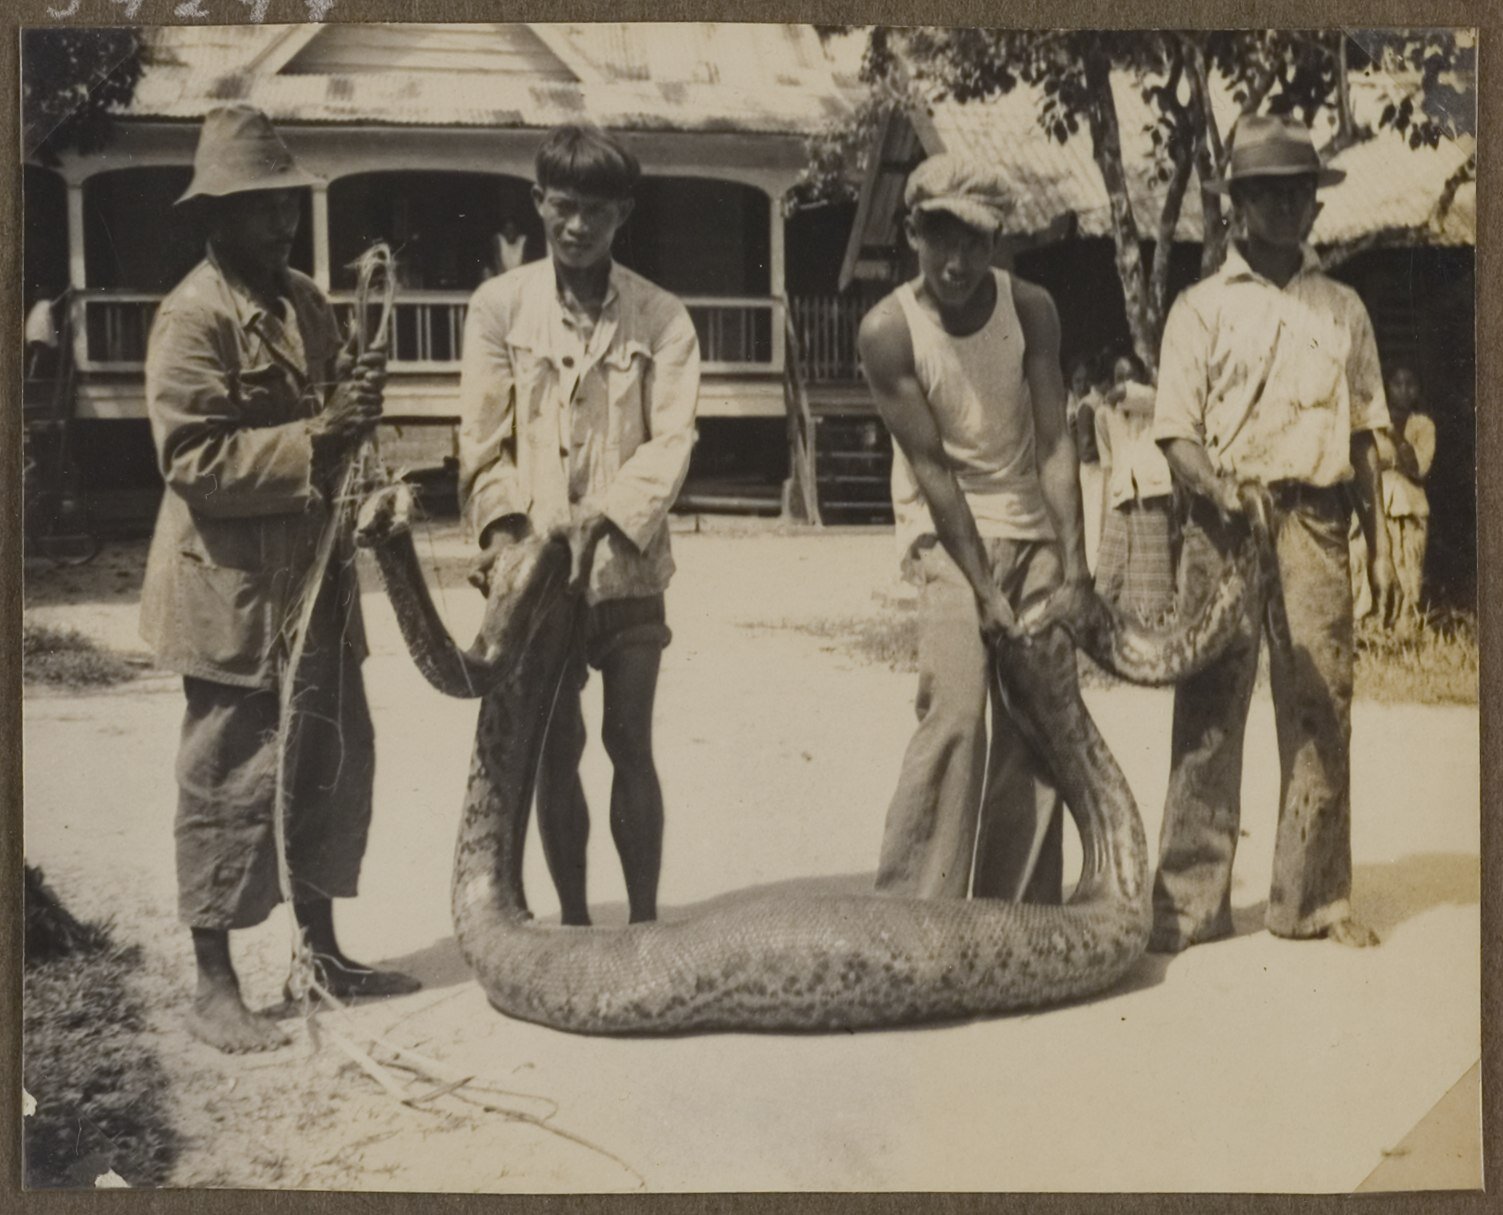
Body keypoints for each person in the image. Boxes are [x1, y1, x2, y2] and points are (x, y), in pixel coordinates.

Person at [140, 105, 418, 1054]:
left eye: (286, 203)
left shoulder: (303, 300)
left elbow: (338, 418)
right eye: (260, 207)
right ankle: (215, 986)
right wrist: (322, 432)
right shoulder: (192, 316)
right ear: (213, 214)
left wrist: (358, 442)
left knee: (327, 763)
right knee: (228, 776)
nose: (280, 222)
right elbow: (195, 464)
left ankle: (323, 951)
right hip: (233, 594)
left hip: (317, 583)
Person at [1149, 114, 1395, 953]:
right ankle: (1187, 901)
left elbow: (1366, 428)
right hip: (1226, 525)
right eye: (1266, 194)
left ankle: (1313, 898)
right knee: (1210, 711)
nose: (1286, 208)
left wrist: (1382, 537)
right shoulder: (1199, 308)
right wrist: (1218, 491)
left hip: (1317, 522)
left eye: (1297, 193)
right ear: (1236, 207)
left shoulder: (1344, 308)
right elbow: (1176, 432)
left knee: (1320, 705)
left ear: (1314, 206)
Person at [459, 124, 701, 927]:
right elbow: (481, 445)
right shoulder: (498, 309)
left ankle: (640, 925)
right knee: (553, 750)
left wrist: (603, 519)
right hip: (536, 579)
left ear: (621, 213)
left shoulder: (663, 318)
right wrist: (508, 542)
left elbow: (672, 441)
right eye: (562, 206)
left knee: (630, 743)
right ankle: (572, 924)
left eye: (595, 210)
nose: (576, 226)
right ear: (538, 202)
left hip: (627, 568)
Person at [859, 153, 1092, 903]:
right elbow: (933, 473)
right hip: (946, 535)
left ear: (998, 242)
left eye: (974, 241)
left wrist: (1076, 570)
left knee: (1039, 727)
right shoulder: (888, 330)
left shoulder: (1033, 310)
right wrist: (984, 589)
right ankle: (913, 915)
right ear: (910, 233)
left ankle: (1013, 916)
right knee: (957, 714)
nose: (955, 260)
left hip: (1032, 529)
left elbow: (1056, 442)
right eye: (938, 236)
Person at [1093, 352, 1177, 625]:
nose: (1124, 382)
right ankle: (1112, 625)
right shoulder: (1104, 416)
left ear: (1141, 379)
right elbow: (1107, 464)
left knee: (1151, 570)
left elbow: (1133, 394)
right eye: (1119, 376)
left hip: (1152, 492)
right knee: (1110, 571)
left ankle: (1152, 625)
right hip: (1121, 495)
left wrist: (1124, 389)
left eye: (1130, 376)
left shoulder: (1156, 403)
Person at [1379, 362, 1436, 628]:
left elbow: (1418, 469)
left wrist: (1396, 438)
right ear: (1386, 388)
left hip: (1411, 506)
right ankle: (1379, 624)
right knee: (1383, 563)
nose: (1403, 390)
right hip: (1380, 505)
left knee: (1410, 567)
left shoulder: (1423, 426)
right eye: (1396, 384)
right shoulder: (1373, 425)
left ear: (1418, 390)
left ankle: (1406, 627)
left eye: (1409, 384)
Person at [1067, 354, 1106, 572]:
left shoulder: (1089, 403)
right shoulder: (1078, 405)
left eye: (1085, 380)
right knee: (1090, 520)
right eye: (1077, 381)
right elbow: (1084, 450)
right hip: (1084, 469)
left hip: (1094, 470)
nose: (1081, 385)